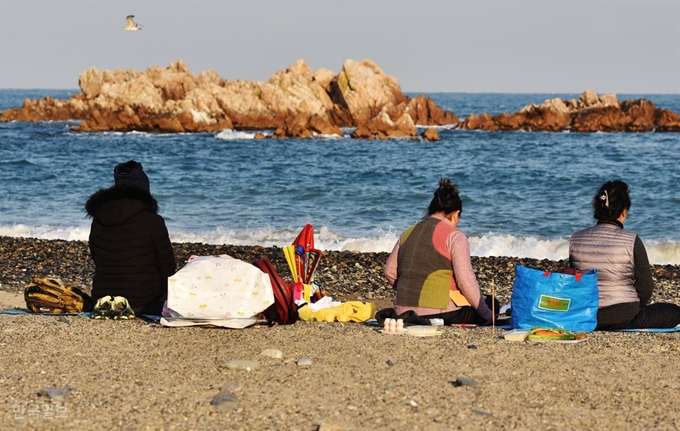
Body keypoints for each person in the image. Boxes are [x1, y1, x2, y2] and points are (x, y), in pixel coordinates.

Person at [383, 178, 497, 325]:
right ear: (456, 213)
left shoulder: (407, 233)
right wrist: (488, 314)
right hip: (442, 312)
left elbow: (389, 272)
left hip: (403, 312)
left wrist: (411, 291)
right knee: (492, 302)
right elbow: (465, 279)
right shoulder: (455, 236)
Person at [569, 180, 680, 330]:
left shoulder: (576, 238)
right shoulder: (631, 240)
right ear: (623, 211)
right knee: (673, 311)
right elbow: (646, 287)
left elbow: (576, 281)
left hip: (587, 315)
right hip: (624, 316)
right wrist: (635, 307)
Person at [85, 160, 176, 315]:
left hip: (103, 301)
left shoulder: (99, 219)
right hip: (142, 303)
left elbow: (96, 257)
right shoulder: (152, 221)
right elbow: (166, 266)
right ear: (144, 190)